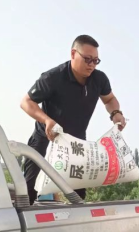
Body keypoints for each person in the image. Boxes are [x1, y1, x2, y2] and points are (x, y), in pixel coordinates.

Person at [20, 34, 126, 204]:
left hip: (76, 141)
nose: (91, 65)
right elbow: (26, 102)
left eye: (96, 61)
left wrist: (116, 113)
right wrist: (46, 120)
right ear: (73, 54)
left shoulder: (99, 79)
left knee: (78, 193)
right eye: (87, 59)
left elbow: (110, 100)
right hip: (46, 135)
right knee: (29, 188)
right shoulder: (52, 78)